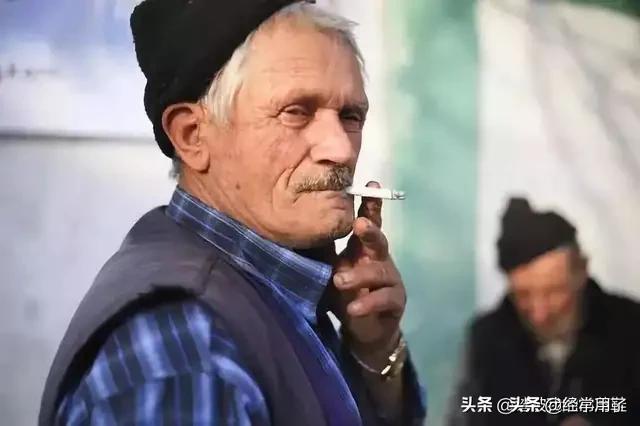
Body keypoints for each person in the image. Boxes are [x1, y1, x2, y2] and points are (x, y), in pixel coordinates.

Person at [39, 1, 426, 425]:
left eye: (350, 116)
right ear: (192, 136)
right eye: (296, 112)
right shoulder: (188, 350)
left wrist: (374, 354)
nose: (341, 149)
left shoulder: (276, 291)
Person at [447, 198, 640, 426]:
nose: (540, 314)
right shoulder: (487, 339)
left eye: (554, 291)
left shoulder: (630, 328)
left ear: (581, 271)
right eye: (523, 295)